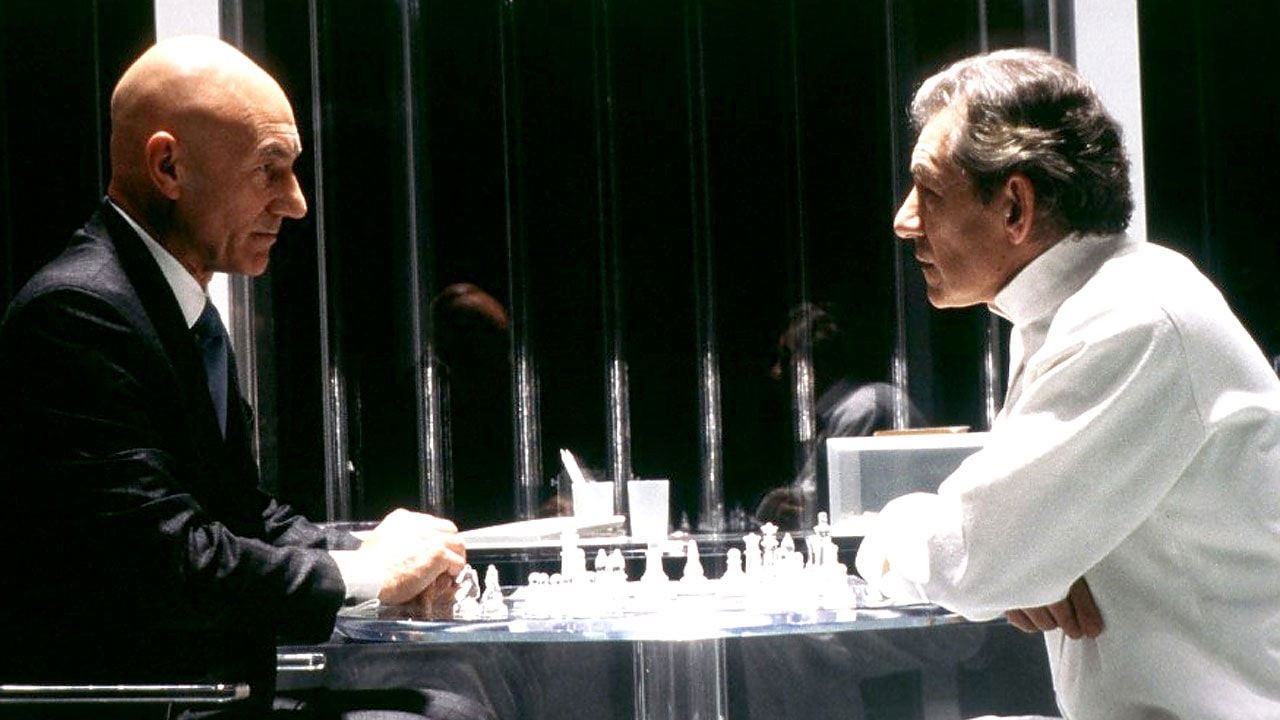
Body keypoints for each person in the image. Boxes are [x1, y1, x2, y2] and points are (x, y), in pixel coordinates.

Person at [0, 37, 471, 718]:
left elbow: (240, 513)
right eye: (269, 169)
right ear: (168, 167)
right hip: (156, 704)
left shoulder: (164, 307)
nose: (296, 202)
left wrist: (370, 554)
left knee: (449, 708)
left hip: (208, 695)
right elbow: (169, 561)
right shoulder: (76, 314)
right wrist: (368, 573)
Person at [854, 48, 1280, 719]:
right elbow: (998, 559)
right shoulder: (1082, 309)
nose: (905, 220)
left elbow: (971, 559)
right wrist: (1030, 556)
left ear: (1015, 208)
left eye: (929, 191)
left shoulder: (1132, 318)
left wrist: (891, 527)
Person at [756, 302, 925, 529]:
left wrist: (780, 505)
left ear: (815, 363)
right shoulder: (856, 407)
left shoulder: (862, 410)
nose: (777, 371)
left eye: (786, 358)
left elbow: (815, 506)